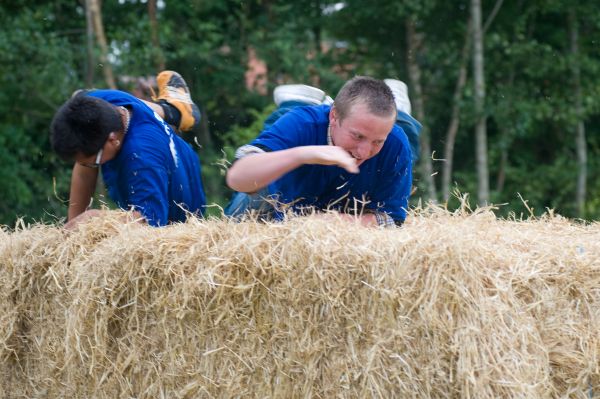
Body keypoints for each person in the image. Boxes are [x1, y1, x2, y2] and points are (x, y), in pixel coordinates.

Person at [225, 76, 422, 227]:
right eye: (358, 136)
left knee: (408, 136)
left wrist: (332, 222)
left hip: (392, 136)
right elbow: (237, 178)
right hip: (307, 127)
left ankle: (400, 110)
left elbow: (392, 221)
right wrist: (301, 154)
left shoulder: (395, 142)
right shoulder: (301, 123)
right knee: (243, 205)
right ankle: (295, 100)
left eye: (377, 142)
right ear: (334, 116)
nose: (364, 152)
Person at [50, 71, 206, 228]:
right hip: (153, 150)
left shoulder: (141, 158)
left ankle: (173, 110)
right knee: (79, 95)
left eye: (93, 162)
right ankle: (173, 110)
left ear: (112, 140)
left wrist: (93, 219)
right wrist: (71, 230)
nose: (85, 166)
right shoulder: (96, 104)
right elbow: (84, 171)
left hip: (178, 219)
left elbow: (150, 222)